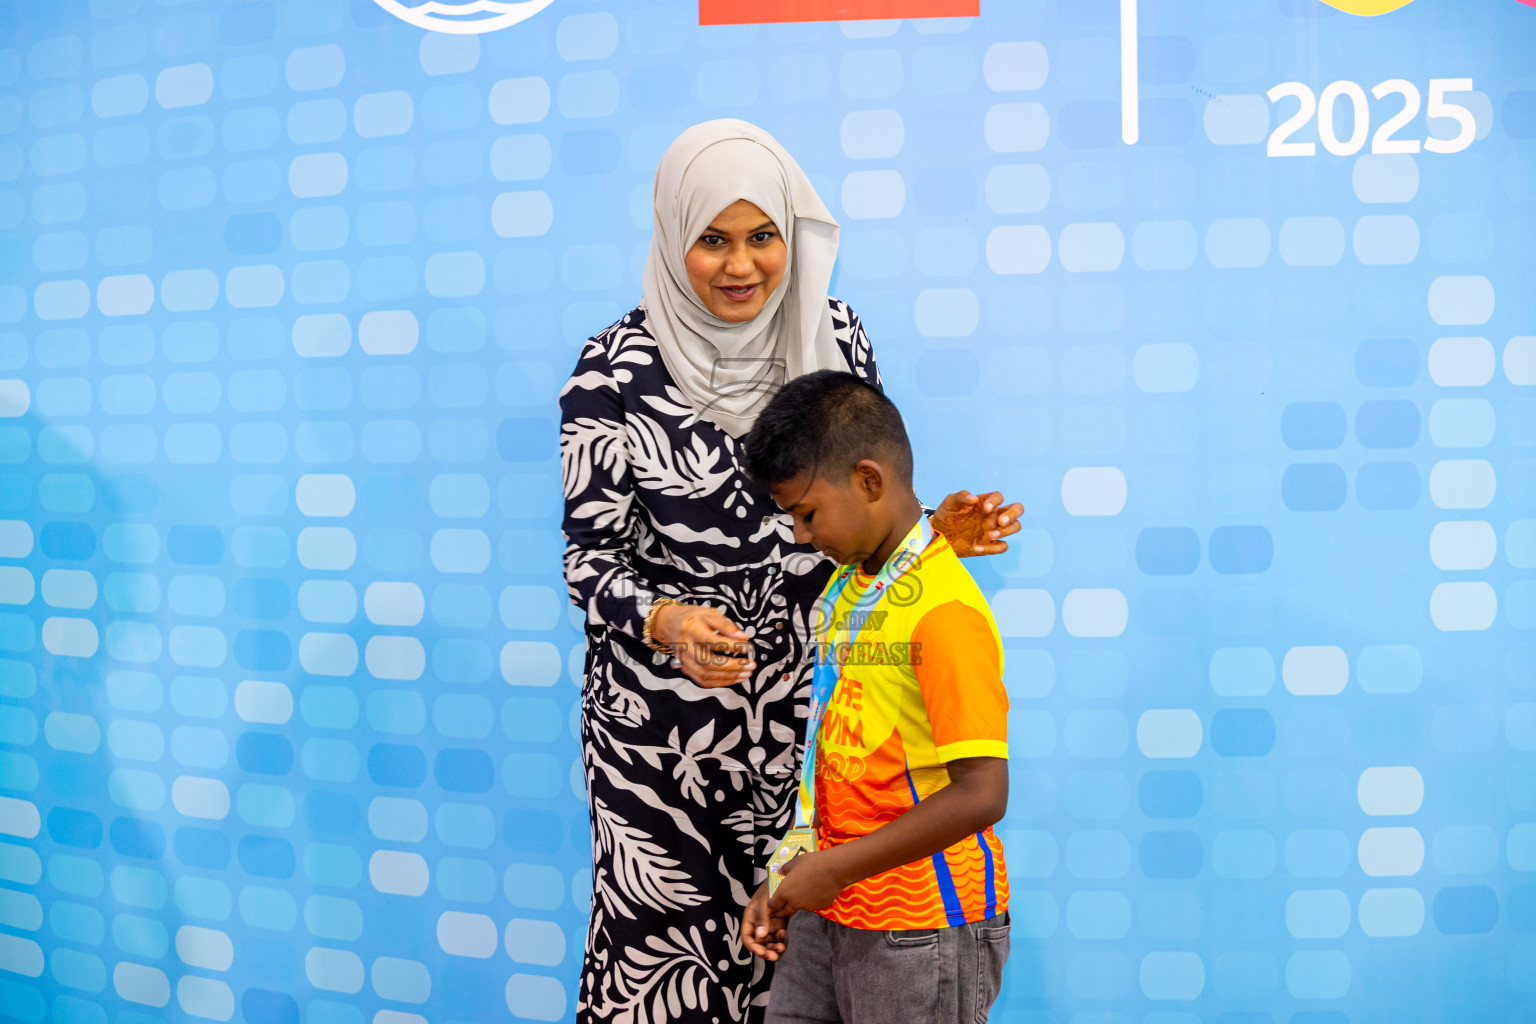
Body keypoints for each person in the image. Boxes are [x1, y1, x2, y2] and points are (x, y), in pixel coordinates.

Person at [558, 118, 1022, 1024]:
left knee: (811, 964)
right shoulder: (610, 375)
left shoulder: (835, 335)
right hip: (662, 742)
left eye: (763, 237)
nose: (742, 266)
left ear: (794, 237)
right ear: (671, 240)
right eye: (713, 240)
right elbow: (588, 556)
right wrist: (669, 623)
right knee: (666, 964)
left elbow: (854, 495)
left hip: (817, 728)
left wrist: (931, 534)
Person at [737, 370, 1012, 1024]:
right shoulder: (850, 590)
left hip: (921, 927)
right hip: (830, 908)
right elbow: (830, 758)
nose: (801, 536)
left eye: (807, 514)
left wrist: (834, 870)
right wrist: (791, 873)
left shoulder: (943, 611)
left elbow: (983, 794)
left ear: (868, 481)